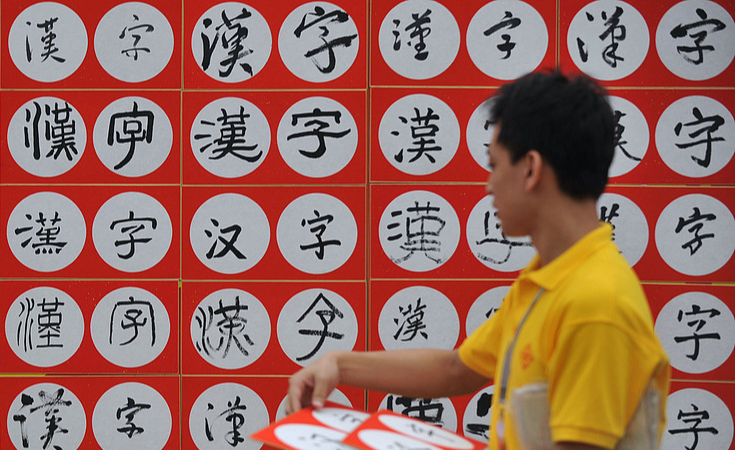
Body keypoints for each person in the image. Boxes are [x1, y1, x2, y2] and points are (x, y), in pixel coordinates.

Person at [286, 69, 670, 450]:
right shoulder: (549, 281)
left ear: (531, 169)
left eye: (494, 165)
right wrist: (339, 364)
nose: (488, 185)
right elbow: (457, 370)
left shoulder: (596, 304)